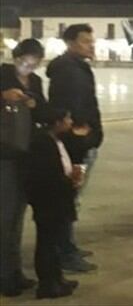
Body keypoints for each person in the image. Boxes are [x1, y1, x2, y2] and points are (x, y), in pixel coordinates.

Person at [46, 24, 100, 273]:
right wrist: (82, 135)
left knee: (71, 198)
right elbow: (71, 108)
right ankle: (64, 253)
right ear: (70, 43)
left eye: (91, 40)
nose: (91, 45)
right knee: (68, 199)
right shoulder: (69, 71)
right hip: (75, 144)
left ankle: (67, 246)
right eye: (85, 41)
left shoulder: (76, 68)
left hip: (82, 141)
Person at [0, 39, 46, 296]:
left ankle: (15, 272)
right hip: (4, 154)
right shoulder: (2, 75)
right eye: (24, 62)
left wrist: (34, 104)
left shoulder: (35, 82)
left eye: (33, 63)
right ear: (16, 57)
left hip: (26, 153)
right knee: (5, 217)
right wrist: (2, 96)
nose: (28, 68)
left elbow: (42, 112)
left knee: (17, 215)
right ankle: (4, 276)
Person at [26, 108, 82, 299]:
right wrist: (70, 180)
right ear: (57, 122)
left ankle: (57, 278)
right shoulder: (42, 143)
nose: (70, 122)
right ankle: (47, 284)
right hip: (48, 202)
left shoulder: (55, 139)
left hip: (57, 199)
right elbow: (47, 176)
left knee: (54, 242)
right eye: (67, 118)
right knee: (47, 243)